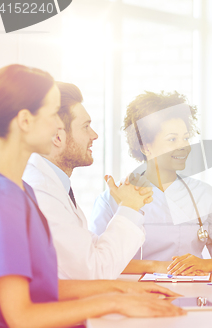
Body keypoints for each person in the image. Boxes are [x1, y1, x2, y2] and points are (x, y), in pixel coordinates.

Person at [0, 64, 184, 328]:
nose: (58, 125)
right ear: (25, 121)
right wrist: (112, 301)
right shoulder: (3, 200)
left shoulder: (20, 193)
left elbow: (43, 288)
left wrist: (122, 291)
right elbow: (21, 317)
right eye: (52, 114)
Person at [90, 91, 212, 275]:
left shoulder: (209, 197)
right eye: (172, 139)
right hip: (133, 297)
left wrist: (205, 265)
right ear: (146, 147)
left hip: (192, 298)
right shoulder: (111, 200)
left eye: (185, 138)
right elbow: (96, 262)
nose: (183, 146)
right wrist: (155, 267)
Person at [22, 81, 166, 280]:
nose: (94, 135)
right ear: (57, 137)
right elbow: (95, 272)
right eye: (86, 127)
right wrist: (130, 207)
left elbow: (91, 251)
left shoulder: (53, 186)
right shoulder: (40, 191)